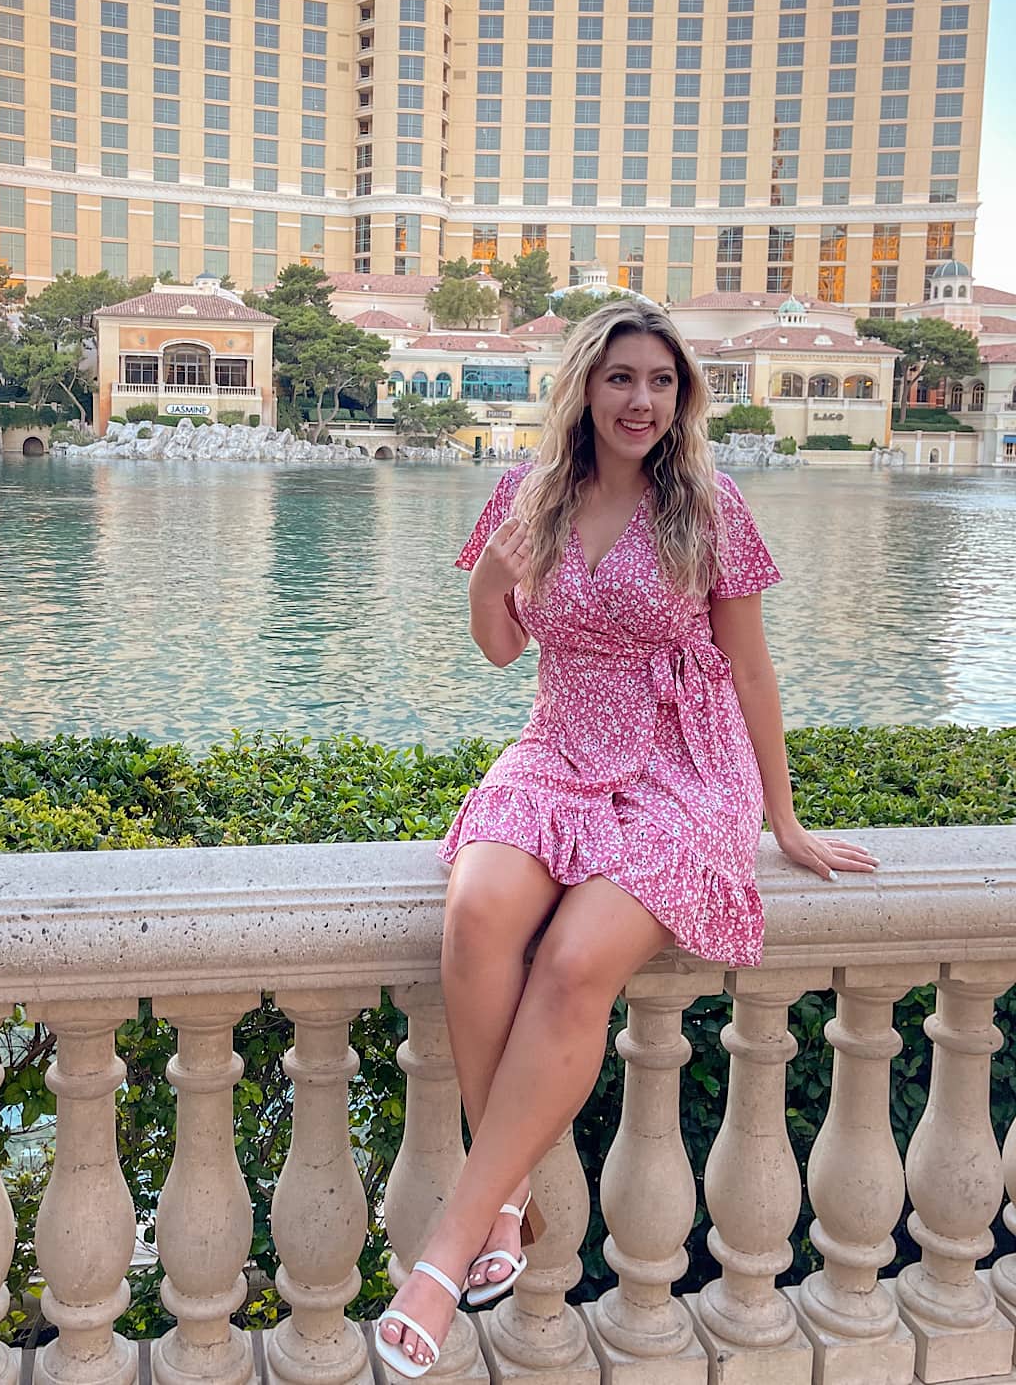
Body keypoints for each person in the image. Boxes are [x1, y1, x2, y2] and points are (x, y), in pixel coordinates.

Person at [375, 300, 878, 1379]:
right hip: (559, 742)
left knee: (567, 963)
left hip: (683, 765)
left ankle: (453, 1242)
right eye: (619, 378)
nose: (640, 398)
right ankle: (509, 1201)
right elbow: (501, 648)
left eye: (659, 380)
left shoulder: (709, 502)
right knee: (474, 915)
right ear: (583, 389)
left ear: (680, 396)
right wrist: (487, 574)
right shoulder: (527, 495)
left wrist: (779, 816)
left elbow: (749, 669)